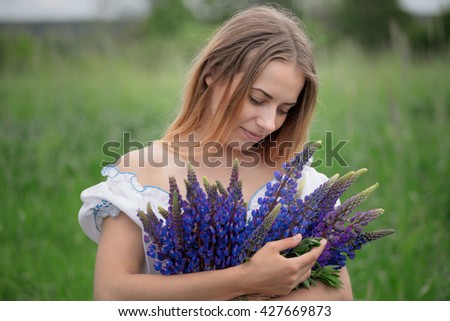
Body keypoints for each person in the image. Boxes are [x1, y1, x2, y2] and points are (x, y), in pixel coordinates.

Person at [78, 4, 353, 301]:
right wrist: (246, 280)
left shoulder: (296, 181)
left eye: (284, 110)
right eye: (257, 99)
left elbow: (338, 295)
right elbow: (110, 294)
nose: (269, 122)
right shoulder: (142, 171)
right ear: (213, 73)